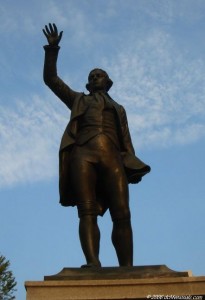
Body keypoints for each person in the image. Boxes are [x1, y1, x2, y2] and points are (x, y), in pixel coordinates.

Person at [43, 23, 150, 268]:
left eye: (98, 74)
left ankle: (127, 269)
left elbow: (126, 140)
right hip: (83, 155)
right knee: (87, 211)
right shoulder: (78, 99)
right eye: (91, 76)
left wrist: (132, 165)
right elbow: (51, 79)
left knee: (122, 213)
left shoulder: (119, 109)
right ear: (89, 85)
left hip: (112, 157)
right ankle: (93, 263)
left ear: (107, 82)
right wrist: (52, 49)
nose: (93, 77)